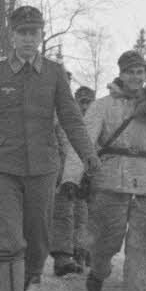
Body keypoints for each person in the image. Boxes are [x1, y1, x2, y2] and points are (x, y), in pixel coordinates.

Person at [0, 5, 101, 291]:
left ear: (41, 35)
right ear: (11, 35)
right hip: (4, 168)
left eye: (33, 33)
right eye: (22, 33)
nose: (28, 39)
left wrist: (89, 155)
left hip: (43, 168)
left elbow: (71, 119)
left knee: (38, 242)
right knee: (10, 241)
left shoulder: (54, 73)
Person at [62, 50, 146, 291]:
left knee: (145, 244)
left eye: (140, 72)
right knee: (107, 239)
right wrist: (71, 177)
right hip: (110, 180)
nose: (135, 77)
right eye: (130, 72)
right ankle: (99, 270)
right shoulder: (103, 106)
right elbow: (82, 141)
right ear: (120, 73)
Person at [48, 84, 97, 276]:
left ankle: (81, 253)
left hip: (87, 178)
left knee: (84, 218)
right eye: (81, 102)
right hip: (64, 176)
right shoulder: (65, 120)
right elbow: (59, 146)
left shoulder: (97, 121)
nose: (85, 106)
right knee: (63, 214)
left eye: (88, 102)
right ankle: (62, 258)